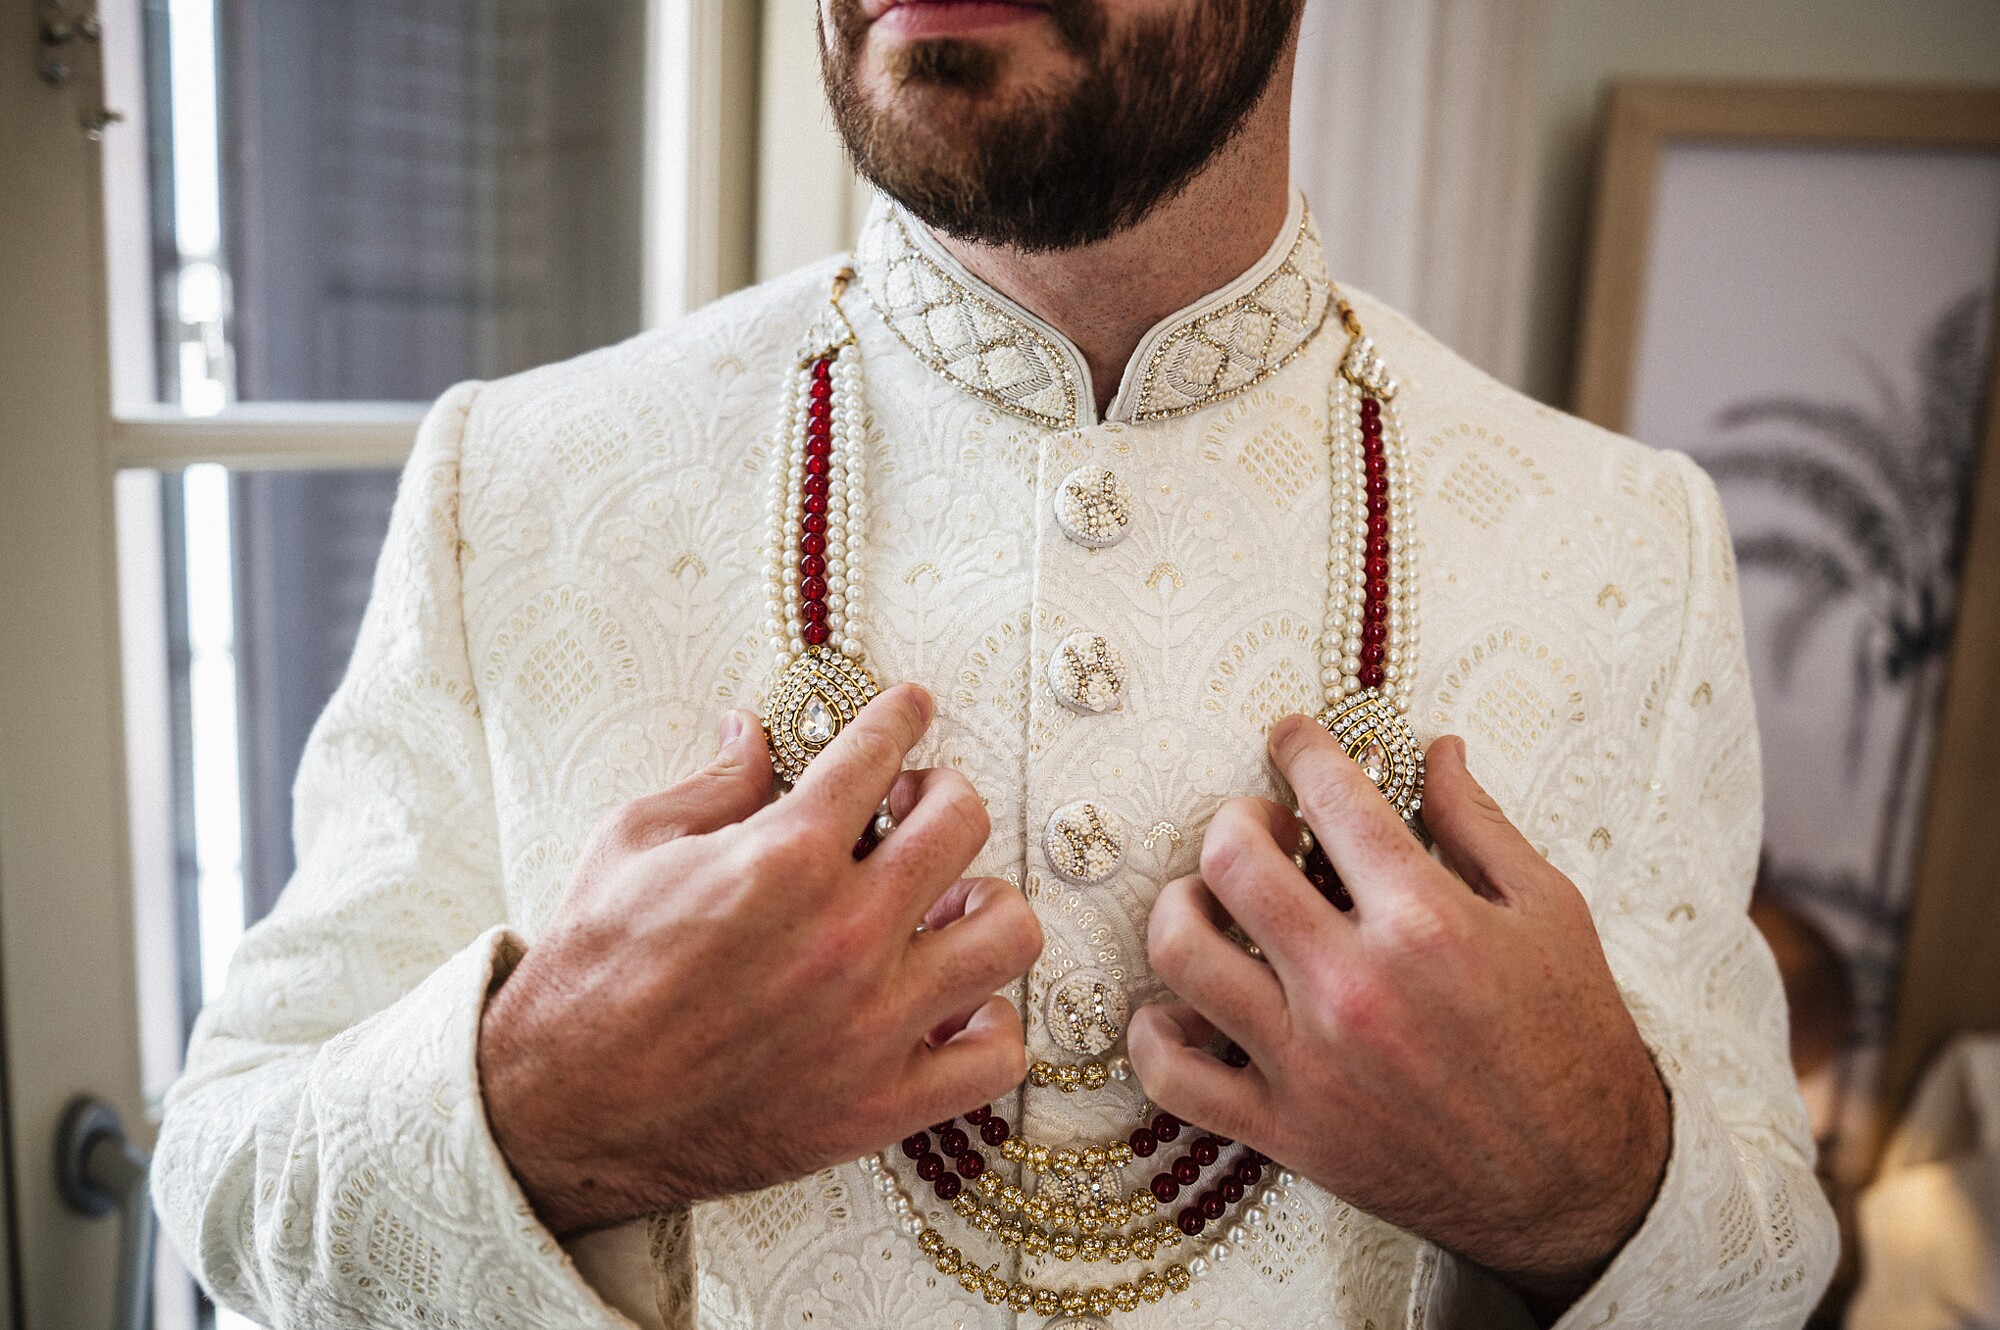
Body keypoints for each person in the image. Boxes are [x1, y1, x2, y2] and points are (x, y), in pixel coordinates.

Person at [153, 2, 1838, 1326]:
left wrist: (1589, 1180)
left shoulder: (1632, 548)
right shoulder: (507, 485)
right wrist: (549, 1100)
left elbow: (1769, 1270)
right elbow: (222, 1177)